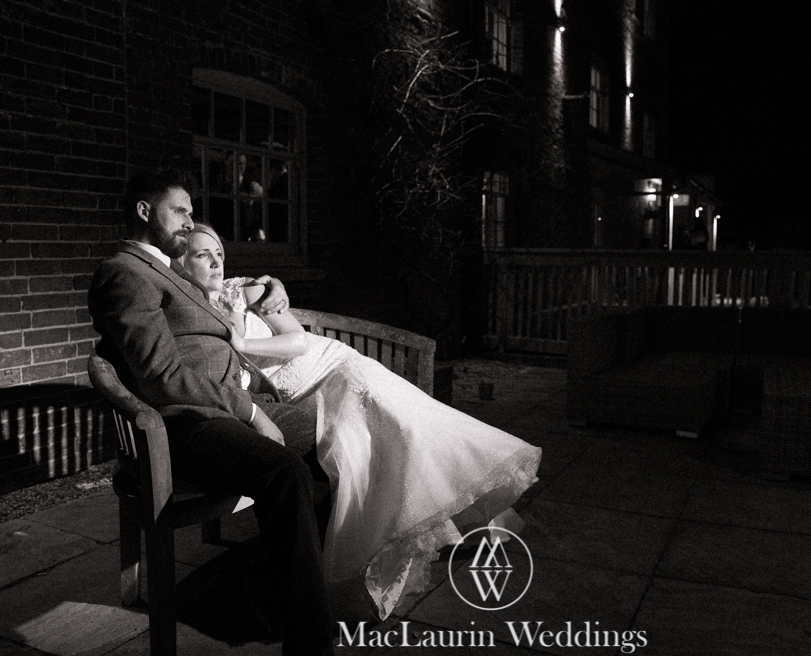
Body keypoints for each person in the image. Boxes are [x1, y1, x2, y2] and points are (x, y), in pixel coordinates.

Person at [180, 222, 542, 623]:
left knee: (410, 426)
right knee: (374, 450)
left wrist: (244, 342)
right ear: (182, 262)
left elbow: (297, 340)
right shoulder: (191, 314)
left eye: (219, 253)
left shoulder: (244, 289)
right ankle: (416, 533)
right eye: (202, 254)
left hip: (332, 367)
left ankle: (468, 506)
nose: (215, 261)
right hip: (303, 396)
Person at [88, 170, 334, 656]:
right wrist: (249, 411)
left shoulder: (167, 271)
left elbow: (224, 292)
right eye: (180, 210)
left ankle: (260, 600)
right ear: (144, 211)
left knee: (329, 439)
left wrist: (270, 281)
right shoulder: (125, 273)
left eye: (191, 214)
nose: (189, 221)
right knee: (285, 471)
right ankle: (309, 642)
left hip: (218, 408)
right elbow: (159, 375)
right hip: (182, 425)